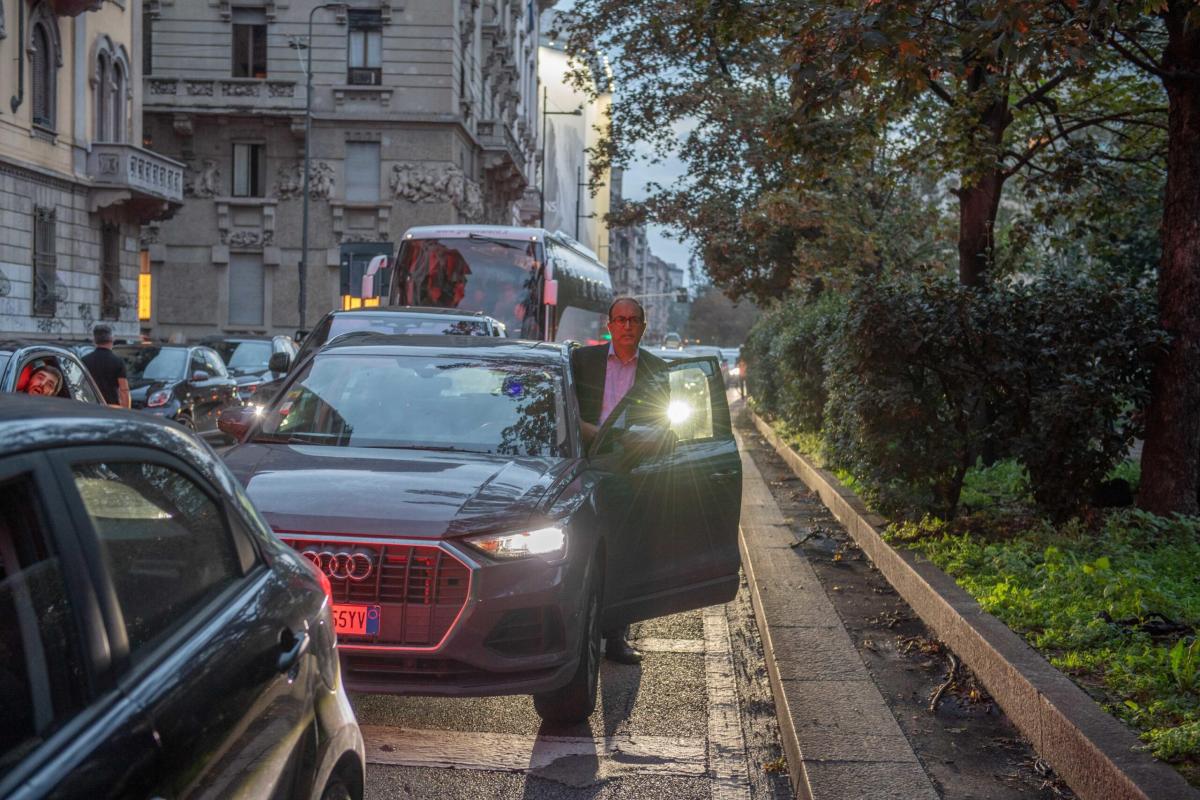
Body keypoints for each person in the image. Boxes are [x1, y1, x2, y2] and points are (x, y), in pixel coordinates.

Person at [570, 297, 670, 665]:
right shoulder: (584, 361)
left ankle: (617, 635)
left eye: (634, 320)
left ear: (644, 327)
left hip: (631, 467)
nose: (627, 326)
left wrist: (646, 438)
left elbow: (665, 423)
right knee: (580, 545)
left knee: (625, 548)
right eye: (621, 320)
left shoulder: (658, 370)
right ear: (609, 325)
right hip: (586, 461)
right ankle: (578, 628)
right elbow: (566, 409)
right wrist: (591, 431)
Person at [81, 324, 131, 408]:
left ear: (94, 340)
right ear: (111, 339)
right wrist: (126, 411)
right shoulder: (118, 362)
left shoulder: (84, 360)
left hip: (91, 407)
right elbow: (124, 390)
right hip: (112, 408)